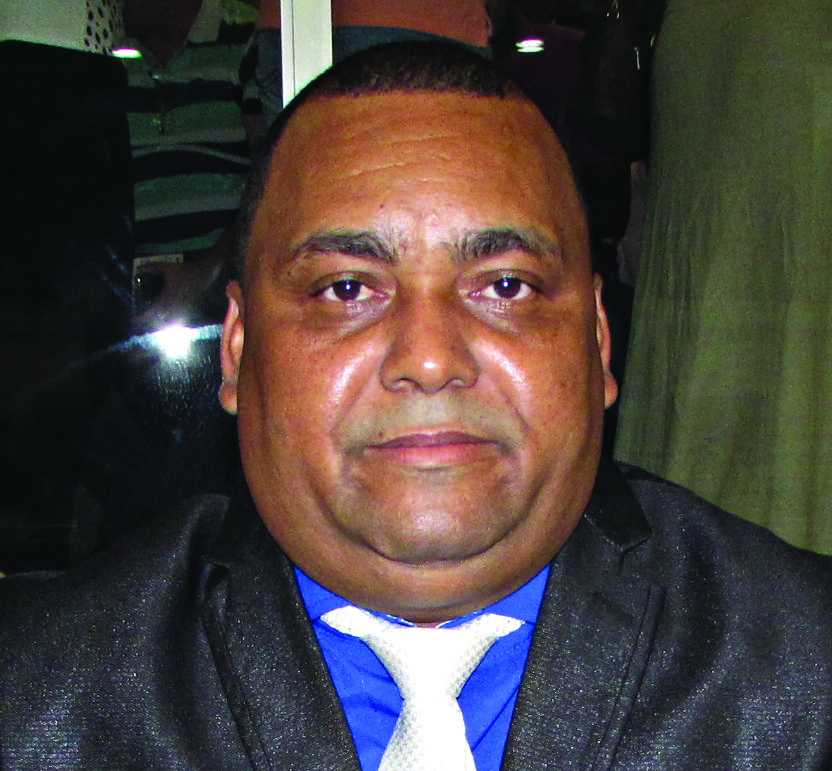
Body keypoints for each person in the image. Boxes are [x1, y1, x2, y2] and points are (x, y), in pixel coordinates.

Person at [1, 42, 831, 770]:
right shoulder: (38, 698)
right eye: (347, 288)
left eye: (506, 285)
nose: (430, 358)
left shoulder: (804, 674)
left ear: (598, 343)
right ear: (238, 350)